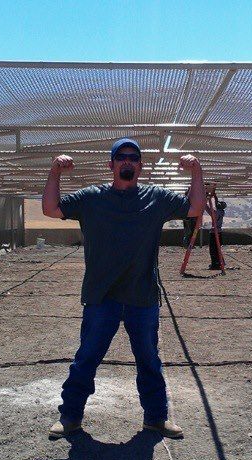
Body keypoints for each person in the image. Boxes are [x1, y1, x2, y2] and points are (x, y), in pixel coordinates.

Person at [41, 138, 206, 439]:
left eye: (133, 157)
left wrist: (196, 170)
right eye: (121, 157)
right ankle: (70, 416)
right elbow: (51, 209)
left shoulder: (155, 198)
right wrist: (54, 171)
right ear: (111, 164)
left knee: (149, 360)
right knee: (87, 357)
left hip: (141, 296)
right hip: (101, 297)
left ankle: (156, 418)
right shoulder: (92, 198)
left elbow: (196, 208)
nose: (127, 162)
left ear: (140, 166)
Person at [208, 200, 227, 270]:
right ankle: (220, 262)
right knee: (217, 249)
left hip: (214, 232)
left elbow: (209, 211)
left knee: (213, 249)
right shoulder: (221, 212)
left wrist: (204, 204)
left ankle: (215, 264)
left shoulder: (217, 212)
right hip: (218, 232)